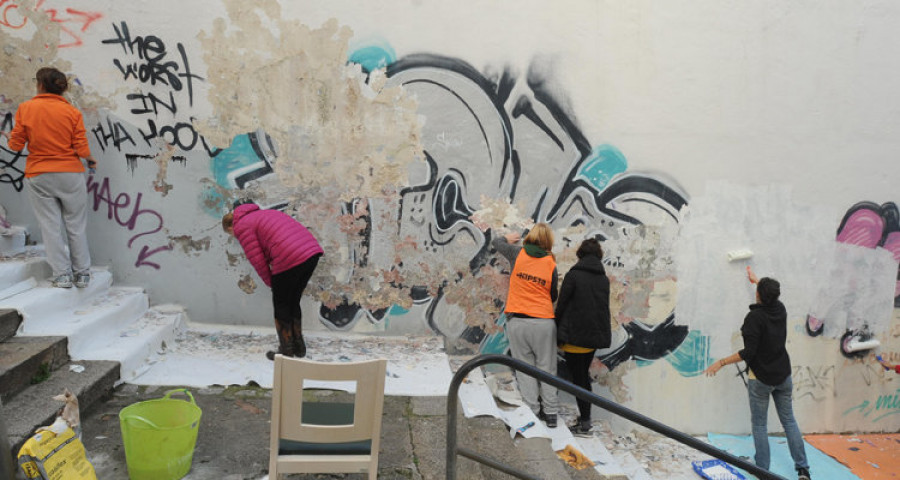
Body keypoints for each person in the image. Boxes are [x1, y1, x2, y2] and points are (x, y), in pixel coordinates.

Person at [705, 267, 811, 480]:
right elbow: (771, 294)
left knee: (760, 425)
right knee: (789, 421)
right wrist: (757, 282)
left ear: (760, 295)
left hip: (761, 379)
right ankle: (803, 469)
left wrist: (721, 362)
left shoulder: (754, 318)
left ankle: (762, 469)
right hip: (783, 375)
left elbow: (748, 352)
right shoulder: (780, 309)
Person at [2, 67, 97, 288]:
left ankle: (62, 275)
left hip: (39, 173)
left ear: (41, 85)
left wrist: (9, 136)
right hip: (71, 174)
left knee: (50, 226)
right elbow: (81, 148)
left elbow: (16, 145)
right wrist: (91, 160)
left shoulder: (26, 109)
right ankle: (82, 274)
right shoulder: (73, 113)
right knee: (76, 225)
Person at [222, 202, 323, 360]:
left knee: (281, 304)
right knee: (293, 301)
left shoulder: (242, 226)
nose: (234, 237)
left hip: (290, 255)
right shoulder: (263, 214)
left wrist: (272, 283)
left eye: (231, 234)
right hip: (310, 253)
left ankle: (286, 350)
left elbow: (258, 260)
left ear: (230, 227)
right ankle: (299, 346)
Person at [493, 223, 560, 428]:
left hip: (518, 320)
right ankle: (551, 414)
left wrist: (508, 237)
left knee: (524, 368)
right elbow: (553, 295)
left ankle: (533, 410)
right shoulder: (551, 262)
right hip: (543, 322)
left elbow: (496, 243)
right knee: (547, 368)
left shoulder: (517, 253)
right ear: (548, 241)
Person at [555, 238, 611, 436]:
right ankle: (585, 418)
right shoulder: (603, 279)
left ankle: (585, 421)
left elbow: (561, 305)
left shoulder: (574, 275)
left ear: (580, 254)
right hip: (592, 340)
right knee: (582, 377)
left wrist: (556, 329)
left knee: (579, 379)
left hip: (573, 337)